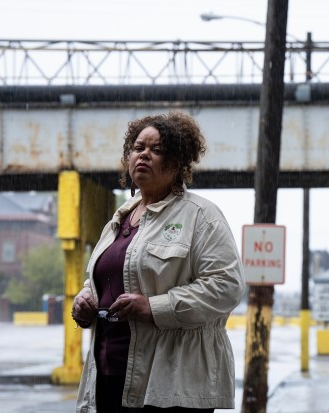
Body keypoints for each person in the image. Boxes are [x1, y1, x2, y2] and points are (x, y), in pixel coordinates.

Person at [71, 111, 245, 413]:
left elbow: (226, 286)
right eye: (138, 148)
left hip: (172, 381)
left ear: (178, 163)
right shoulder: (120, 217)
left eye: (157, 150)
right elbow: (105, 279)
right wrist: (84, 300)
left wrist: (154, 307)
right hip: (110, 373)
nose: (144, 155)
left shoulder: (200, 216)